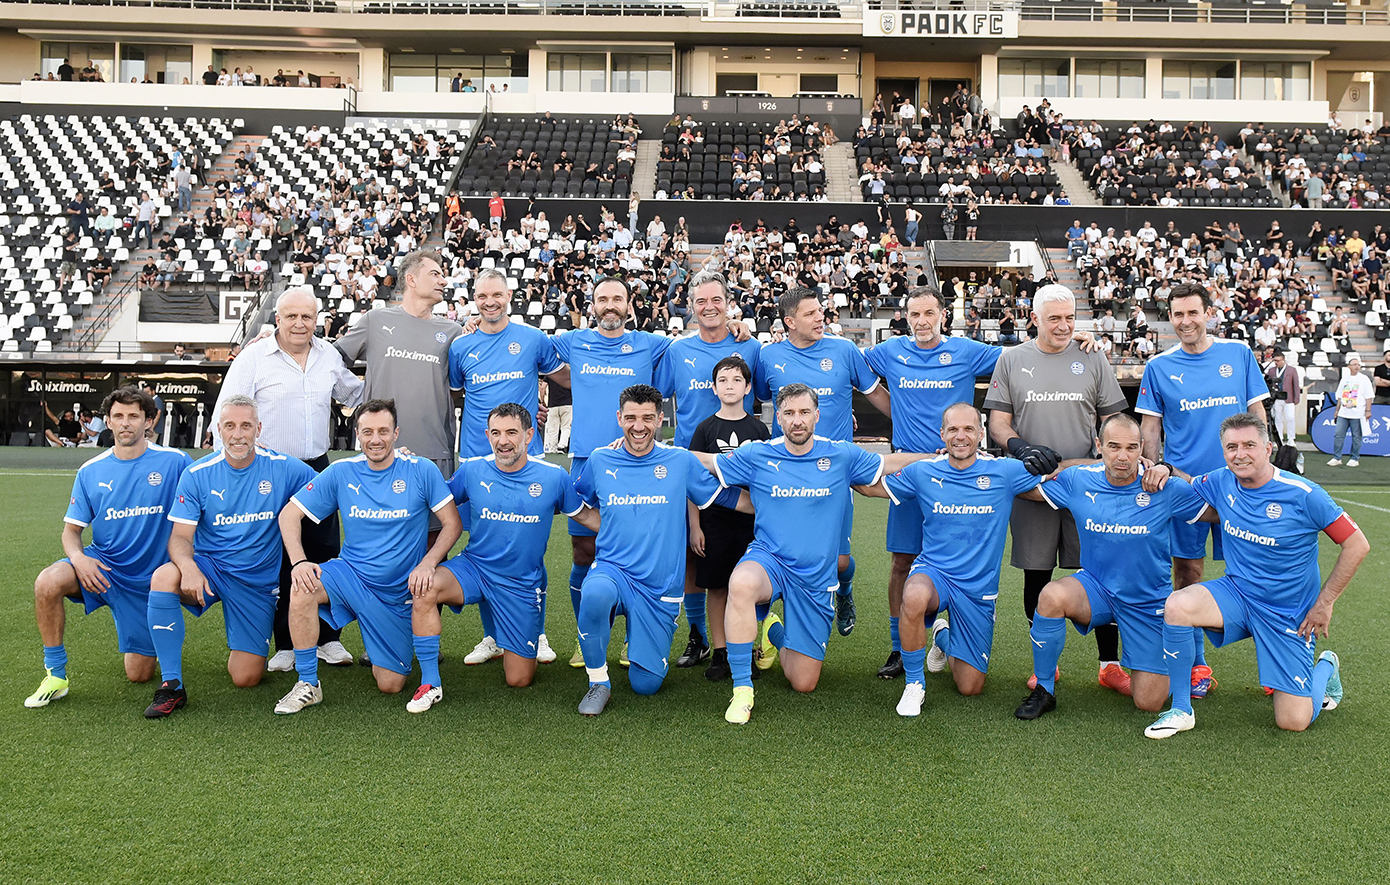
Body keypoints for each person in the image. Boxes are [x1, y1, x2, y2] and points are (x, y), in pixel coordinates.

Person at [701, 385, 926, 724]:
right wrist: (658, 450)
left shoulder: (840, 454)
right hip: (770, 560)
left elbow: (890, 463)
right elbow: (708, 462)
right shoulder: (758, 454)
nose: (797, 420)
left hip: (815, 577)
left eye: (804, 412)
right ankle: (743, 689)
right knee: (742, 582)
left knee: (803, 682)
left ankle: (774, 631)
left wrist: (939, 458)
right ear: (778, 418)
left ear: (817, 416)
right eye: (789, 413)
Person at [1144, 413, 1368, 738]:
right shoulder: (1221, 480)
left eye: (1249, 445)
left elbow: (1357, 544)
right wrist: (1165, 467)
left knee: (1293, 721)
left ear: (1268, 448)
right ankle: (1181, 709)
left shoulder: (1303, 493)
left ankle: (1326, 666)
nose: (1240, 454)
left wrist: (1325, 603)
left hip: (1287, 613)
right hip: (1238, 595)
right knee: (1177, 605)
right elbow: (1190, 482)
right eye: (1231, 447)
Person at [984, 284, 1131, 694]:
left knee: (1101, 573)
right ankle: (1044, 665)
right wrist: (1021, 448)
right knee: (1036, 573)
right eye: (1054, 318)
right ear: (1034, 319)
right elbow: (997, 423)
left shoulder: (1092, 355)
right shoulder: (1011, 359)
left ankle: (1110, 665)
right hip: (1034, 487)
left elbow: (1114, 420)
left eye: (1070, 318)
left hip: (1089, 487)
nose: (1064, 326)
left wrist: (1112, 459)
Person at [273, 399, 462, 714]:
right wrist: (299, 562)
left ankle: (379, 639)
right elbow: (289, 515)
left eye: (383, 431)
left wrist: (428, 563)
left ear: (396, 433)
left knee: (390, 684)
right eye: (368, 432)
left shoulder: (421, 470)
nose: (376, 439)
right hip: (350, 577)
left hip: (397, 593)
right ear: (357, 434)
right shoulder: (342, 471)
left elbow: (452, 524)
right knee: (302, 586)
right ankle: (307, 682)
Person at [859, 403, 1046, 716]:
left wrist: (1119, 465)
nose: (961, 436)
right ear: (942, 434)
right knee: (914, 594)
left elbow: (1062, 475)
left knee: (970, 687)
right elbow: (872, 487)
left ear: (981, 434)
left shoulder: (1004, 472)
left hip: (978, 589)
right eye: (953, 430)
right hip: (935, 574)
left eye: (968, 429)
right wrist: (832, 470)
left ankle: (942, 636)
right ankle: (914, 684)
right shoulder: (924, 471)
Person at [1015, 414, 1206, 720]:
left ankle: (1172, 664)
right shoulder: (1079, 480)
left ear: (1141, 448)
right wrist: (990, 464)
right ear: (1099, 445)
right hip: (1097, 589)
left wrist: (1169, 469)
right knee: (1051, 596)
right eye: (1114, 446)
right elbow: (1024, 488)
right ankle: (1044, 689)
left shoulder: (1163, 487)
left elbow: (1216, 505)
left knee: (1149, 702)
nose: (1122, 456)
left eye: (1131, 448)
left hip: (1147, 601)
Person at [571, 385, 745, 716]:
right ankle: (598, 682)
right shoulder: (600, 459)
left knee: (646, 685)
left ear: (660, 419)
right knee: (595, 593)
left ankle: (640, 637)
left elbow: (722, 497)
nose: (639, 426)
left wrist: (770, 506)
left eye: (647, 418)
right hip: (614, 571)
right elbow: (575, 500)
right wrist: (608, 527)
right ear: (619, 418)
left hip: (659, 587)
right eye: (631, 418)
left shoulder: (679, 461)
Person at [215, 287, 365, 670]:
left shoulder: (328, 355)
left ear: (317, 320)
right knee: (280, 557)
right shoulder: (253, 358)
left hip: (317, 467)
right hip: (269, 471)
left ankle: (328, 638)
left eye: (307, 317)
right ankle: (286, 643)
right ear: (277, 318)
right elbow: (226, 412)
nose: (300, 324)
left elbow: (356, 395)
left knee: (324, 552)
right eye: (292, 316)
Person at [408, 404, 592, 711]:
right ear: (487, 435)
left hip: (519, 583)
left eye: (511, 433)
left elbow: (585, 516)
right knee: (425, 588)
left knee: (519, 679)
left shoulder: (553, 477)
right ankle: (430, 682)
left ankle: (513, 641)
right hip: (474, 568)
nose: (502, 441)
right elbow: (434, 500)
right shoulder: (472, 470)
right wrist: (403, 465)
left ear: (529, 435)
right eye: (496, 433)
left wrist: (630, 530)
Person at [141, 396, 316, 718]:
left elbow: (334, 482)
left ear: (258, 429)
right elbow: (180, 537)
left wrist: (394, 458)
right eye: (230, 426)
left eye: (246, 426)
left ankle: (244, 641)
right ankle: (171, 685)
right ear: (218, 430)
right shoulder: (198, 473)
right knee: (164, 577)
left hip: (255, 582)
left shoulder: (283, 467)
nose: (238, 434)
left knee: (245, 677)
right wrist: (188, 567)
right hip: (211, 568)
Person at [861, 287, 1004, 679]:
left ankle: (950, 636)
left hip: (957, 471)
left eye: (929, 313)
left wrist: (1075, 341)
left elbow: (1022, 359)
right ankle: (899, 646)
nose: (921, 321)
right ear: (905, 317)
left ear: (943, 315)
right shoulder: (890, 351)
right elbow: (846, 364)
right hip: (910, 472)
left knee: (959, 562)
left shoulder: (966, 350)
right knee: (902, 561)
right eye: (914, 314)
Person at [1136, 282, 1269, 697]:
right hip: (1187, 491)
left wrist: (1262, 464)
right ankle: (1197, 666)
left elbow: (1257, 413)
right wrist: (1154, 470)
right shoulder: (1158, 367)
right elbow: (1151, 428)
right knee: (1188, 574)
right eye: (1178, 314)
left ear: (1208, 313)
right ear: (1170, 318)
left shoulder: (1238, 354)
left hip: (1240, 487)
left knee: (1256, 573)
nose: (1186, 321)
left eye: (1193, 312)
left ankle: (1275, 662)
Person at [25, 386, 192, 708]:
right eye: (118, 416)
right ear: (109, 421)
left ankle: (141, 629)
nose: (125, 423)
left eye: (133, 416)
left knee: (139, 674)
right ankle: (55, 676)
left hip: (150, 581)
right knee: (47, 582)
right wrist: (79, 559)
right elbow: (71, 531)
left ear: (148, 421)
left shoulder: (175, 462)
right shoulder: (91, 470)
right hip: (102, 569)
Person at [549, 277, 677, 666]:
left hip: (640, 460)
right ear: (592, 305)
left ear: (628, 305)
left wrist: (736, 327)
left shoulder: (649, 343)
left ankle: (635, 635)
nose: (610, 305)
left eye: (617, 298)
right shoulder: (573, 341)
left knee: (641, 551)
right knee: (584, 550)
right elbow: (528, 348)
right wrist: (475, 324)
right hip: (587, 459)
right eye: (602, 298)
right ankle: (587, 634)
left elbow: (693, 345)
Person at [446, 268, 569, 665]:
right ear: (474, 299)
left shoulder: (533, 339)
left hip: (525, 457)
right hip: (477, 458)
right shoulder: (461, 347)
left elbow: (566, 376)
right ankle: (492, 636)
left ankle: (537, 632)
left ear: (509, 296)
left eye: (496, 294)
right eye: (482, 296)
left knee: (530, 548)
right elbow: (454, 392)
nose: (490, 302)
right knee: (484, 547)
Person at [755, 287, 891, 639]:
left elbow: (876, 394)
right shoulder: (768, 356)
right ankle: (779, 627)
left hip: (833, 474)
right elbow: (755, 396)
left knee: (841, 561)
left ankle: (844, 590)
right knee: (785, 552)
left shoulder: (844, 350)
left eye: (821, 311)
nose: (821, 318)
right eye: (811, 314)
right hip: (784, 473)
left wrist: (914, 431)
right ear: (789, 322)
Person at [656, 271, 763, 665]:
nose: (709, 307)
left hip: (741, 470)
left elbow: (775, 393)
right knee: (692, 553)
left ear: (728, 302)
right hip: (692, 469)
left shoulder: (749, 347)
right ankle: (699, 635)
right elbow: (655, 396)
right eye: (700, 301)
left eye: (716, 299)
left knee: (750, 556)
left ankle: (751, 637)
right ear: (690, 306)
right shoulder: (677, 350)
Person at [686, 355, 770, 681]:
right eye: (723, 380)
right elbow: (692, 480)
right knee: (718, 587)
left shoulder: (758, 429)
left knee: (746, 587)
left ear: (748, 388)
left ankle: (745, 652)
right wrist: (695, 526)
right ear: (714, 387)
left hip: (751, 522)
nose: (729, 386)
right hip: (713, 521)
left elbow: (767, 479)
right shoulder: (705, 429)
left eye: (737, 380)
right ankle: (720, 653)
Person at [1328, 354, 1374, 467]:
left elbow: (1369, 396)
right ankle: (1337, 457)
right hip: (1343, 412)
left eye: (1358, 364)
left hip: (1358, 413)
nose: (1357, 366)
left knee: (1356, 436)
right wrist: (1337, 410)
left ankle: (1354, 458)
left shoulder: (1364, 379)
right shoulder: (1345, 379)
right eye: (1354, 364)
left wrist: (1368, 410)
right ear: (1349, 366)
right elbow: (1340, 396)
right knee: (1338, 435)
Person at [1266, 349, 1302, 445]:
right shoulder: (1271, 370)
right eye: (1275, 361)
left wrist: (1296, 398)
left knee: (1290, 418)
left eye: (1277, 361)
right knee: (1278, 419)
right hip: (1276, 398)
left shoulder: (1292, 370)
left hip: (1288, 398)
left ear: (1283, 360)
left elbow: (1296, 384)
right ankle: (1280, 438)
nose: (1276, 363)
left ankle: (1291, 438)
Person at [543, 377, 572, 453]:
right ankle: (562, 446)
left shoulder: (550, 374)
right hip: (567, 403)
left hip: (553, 404)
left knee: (553, 428)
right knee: (566, 427)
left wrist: (542, 401)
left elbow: (543, 387)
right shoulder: (569, 374)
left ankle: (553, 448)